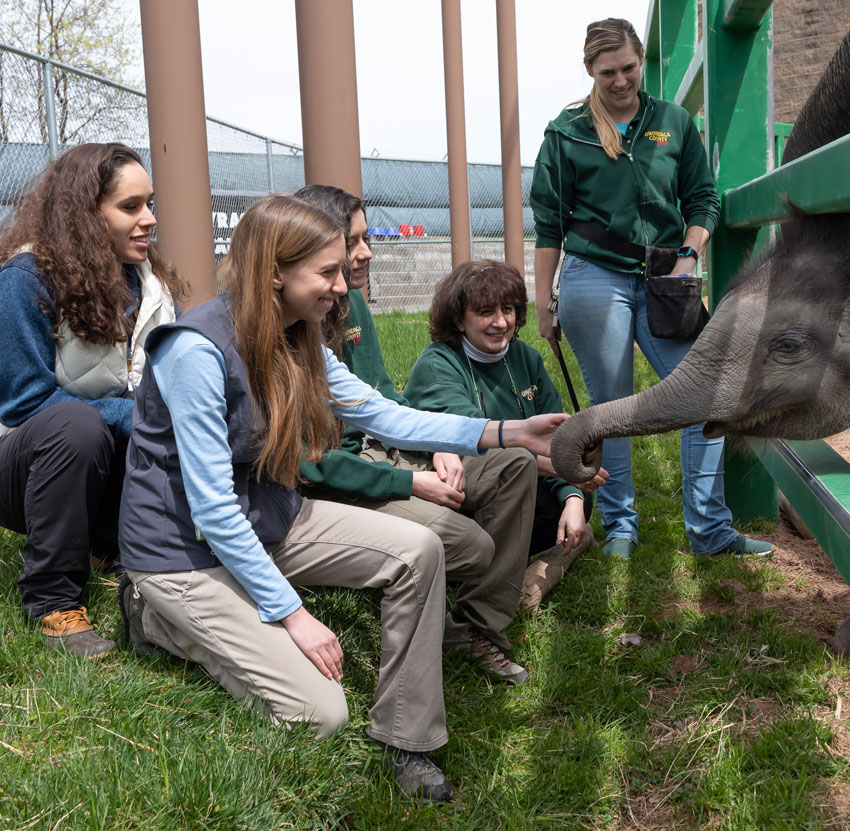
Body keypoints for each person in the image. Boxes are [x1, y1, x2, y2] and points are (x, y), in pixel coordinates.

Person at [115, 194, 566, 803]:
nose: (340, 284)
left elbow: (384, 415)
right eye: (326, 272)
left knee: (420, 550)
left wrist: (506, 432)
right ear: (275, 271)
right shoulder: (195, 350)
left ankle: (406, 737)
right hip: (185, 554)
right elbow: (213, 509)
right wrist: (294, 616)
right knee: (318, 715)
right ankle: (154, 615)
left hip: (273, 520)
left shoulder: (297, 336)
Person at [529, 17, 773, 559]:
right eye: (608, 71)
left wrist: (690, 256)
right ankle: (620, 527)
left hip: (667, 275)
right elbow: (549, 226)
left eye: (630, 68)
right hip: (593, 276)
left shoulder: (673, 121)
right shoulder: (566, 131)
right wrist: (543, 301)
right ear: (590, 70)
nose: (621, 81)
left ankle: (709, 530)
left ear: (642, 61)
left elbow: (703, 200)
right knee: (610, 406)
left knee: (704, 394)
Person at [294, 185, 536, 686]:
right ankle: (437, 623)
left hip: (384, 450)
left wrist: (440, 446)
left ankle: (479, 627)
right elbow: (310, 462)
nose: (365, 252)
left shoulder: (351, 305)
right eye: (352, 242)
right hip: (341, 478)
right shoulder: (287, 331)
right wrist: (409, 484)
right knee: (468, 544)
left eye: (364, 240)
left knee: (515, 466)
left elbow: (382, 402)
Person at [0, 142, 182, 657]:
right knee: (75, 424)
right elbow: (23, 405)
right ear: (85, 213)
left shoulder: (150, 286)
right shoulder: (25, 280)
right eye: (131, 207)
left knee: (163, 430)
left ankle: (127, 563)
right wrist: (139, 418)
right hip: (13, 465)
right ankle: (54, 602)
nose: (149, 219)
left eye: (151, 204)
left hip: (100, 460)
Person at [404, 260, 607, 567]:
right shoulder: (438, 364)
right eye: (486, 312)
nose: (500, 322)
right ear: (459, 320)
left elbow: (558, 438)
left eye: (508, 310)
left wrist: (574, 498)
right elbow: (473, 446)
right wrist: (566, 470)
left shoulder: (526, 357)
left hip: (518, 480)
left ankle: (511, 551)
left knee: (571, 501)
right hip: (458, 492)